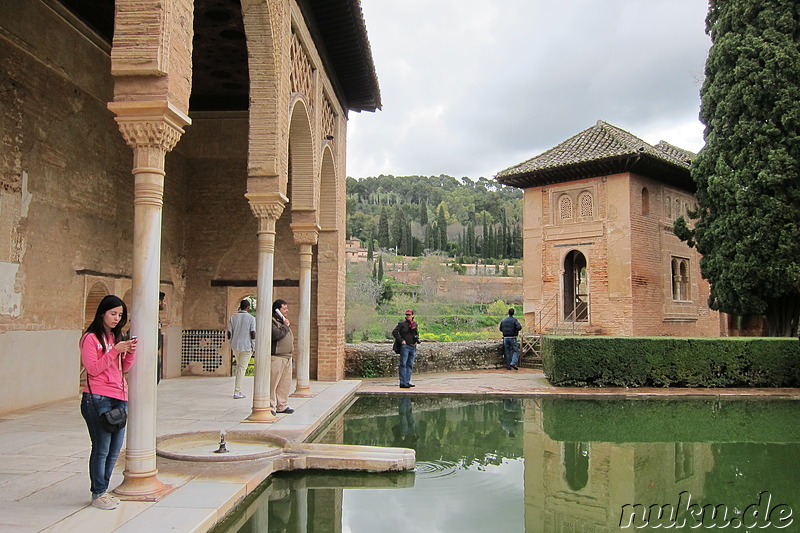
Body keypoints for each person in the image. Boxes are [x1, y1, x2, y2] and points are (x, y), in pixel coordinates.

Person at [80, 294, 137, 510]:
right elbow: (93, 369)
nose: (116, 318)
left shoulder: (115, 337)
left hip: (119, 397)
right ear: (102, 312)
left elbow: (124, 368)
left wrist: (129, 352)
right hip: (97, 398)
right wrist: (115, 351)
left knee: (115, 449)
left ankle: (103, 489)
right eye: (113, 313)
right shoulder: (90, 339)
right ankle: (98, 493)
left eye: (120, 315)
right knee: (101, 447)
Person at [270, 299, 295, 415]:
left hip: (287, 357)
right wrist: (285, 326)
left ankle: (282, 405)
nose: (287, 311)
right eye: (284, 309)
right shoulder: (273, 321)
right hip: (277, 357)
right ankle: (271, 406)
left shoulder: (283, 322)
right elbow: (275, 335)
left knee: (284, 384)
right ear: (277, 310)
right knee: (273, 383)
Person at [228, 299, 256, 399]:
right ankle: (237, 391)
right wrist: (254, 346)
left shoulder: (233, 318)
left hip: (236, 346)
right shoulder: (251, 318)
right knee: (242, 368)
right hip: (246, 346)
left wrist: (231, 343)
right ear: (248, 307)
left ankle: (237, 389)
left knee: (240, 366)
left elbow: (229, 333)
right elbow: (253, 333)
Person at [392, 309, 419, 388]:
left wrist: (416, 339)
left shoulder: (414, 324)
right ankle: (403, 382)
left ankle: (407, 381)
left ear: (412, 316)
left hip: (412, 346)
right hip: (405, 346)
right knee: (403, 364)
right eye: (407, 315)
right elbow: (395, 332)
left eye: (409, 315)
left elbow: (416, 333)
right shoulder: (402, 324)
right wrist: (401, 340)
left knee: (410, 364)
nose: (408, 316)